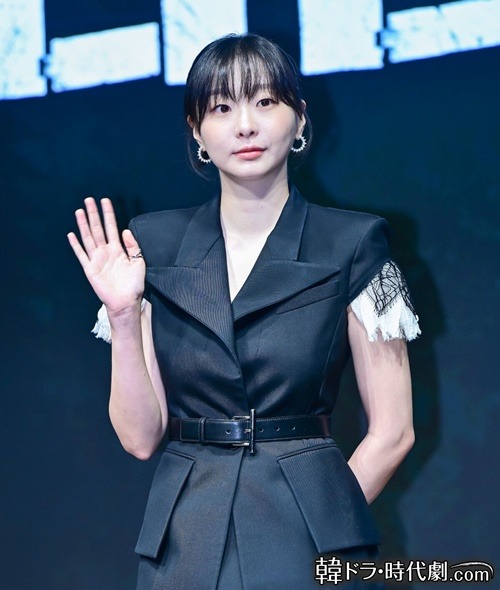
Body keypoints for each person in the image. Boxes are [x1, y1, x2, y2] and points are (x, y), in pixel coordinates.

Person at [68, 33, 419, 590]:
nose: (245, 126)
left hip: (310, 540)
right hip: (185, 538)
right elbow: (139, 438)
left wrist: (323, 523)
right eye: (222, 108)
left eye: (265, 102)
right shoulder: (151, 246)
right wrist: (123, 315)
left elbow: (394, 432)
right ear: (197, 131)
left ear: (299, 119)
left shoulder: (354, 244)